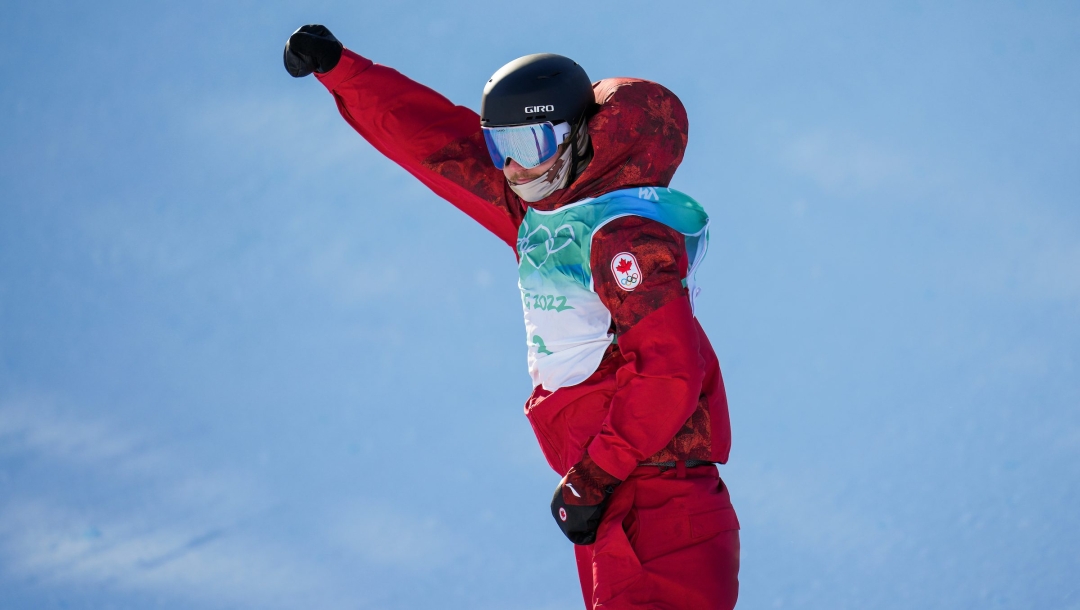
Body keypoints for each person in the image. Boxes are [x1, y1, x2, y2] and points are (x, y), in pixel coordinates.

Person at [283, 24, 741, 610]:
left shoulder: (622, 237)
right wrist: (341, 69)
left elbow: (670, 368)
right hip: (621, 504)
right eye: (503, 148)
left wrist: (596, 474)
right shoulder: (543, 219)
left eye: (532, 145)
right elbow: (437, 144)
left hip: (656, 506)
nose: (515, 169)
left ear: (579, 138)